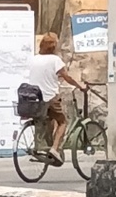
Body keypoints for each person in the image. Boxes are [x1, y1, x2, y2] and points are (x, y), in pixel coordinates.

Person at [26, 32, 86, 165]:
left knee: (45, 120)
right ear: (54, 47)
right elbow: (67, 77)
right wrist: (80, 85)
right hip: (50, 97)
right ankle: (54, 149)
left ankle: (42, 146)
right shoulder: (55, 60)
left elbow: (42, 74)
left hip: (35, 99)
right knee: (62, 121)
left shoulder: (34, 59)